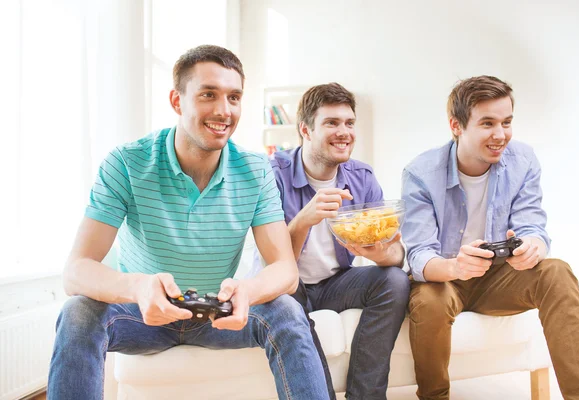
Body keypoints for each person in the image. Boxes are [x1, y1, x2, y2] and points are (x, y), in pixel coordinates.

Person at [47, 45, 329, 400]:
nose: (224, 111)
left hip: (217, 316)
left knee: (288, 309)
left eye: (234, 97)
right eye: (208, 94)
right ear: (177, 101)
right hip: (143, 317)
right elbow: (76, 271)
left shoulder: (256, 170)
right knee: (77, 313)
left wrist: (248, 292)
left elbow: (285, 270)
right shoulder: (126, 163)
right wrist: (138, 288)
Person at [401, 75, 579, 400]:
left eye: (506, 122)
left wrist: (532, 247)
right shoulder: (421, 174)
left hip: (501, 277)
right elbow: (420, 255)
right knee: (428, 301)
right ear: (456, 125)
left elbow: (532, 226)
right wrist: (456, 267)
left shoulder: (523, 161)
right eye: (488, 123)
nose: (500, 135)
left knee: (556, 271)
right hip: (446, 279)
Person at [270, 82, 410, 400]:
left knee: (395, 280)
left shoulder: (361, 176)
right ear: (305, 130)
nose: (344, 132)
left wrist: (381, 253)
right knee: (285, 300)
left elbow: (395, 253)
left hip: (336, 283)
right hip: (287, 286)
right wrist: (304, 219)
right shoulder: (272, 174)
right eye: (331, 123)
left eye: (349, 123)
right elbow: (274, 264)